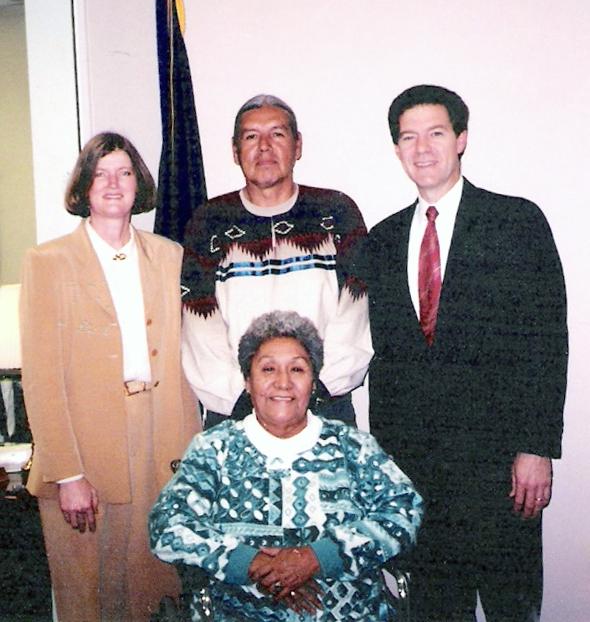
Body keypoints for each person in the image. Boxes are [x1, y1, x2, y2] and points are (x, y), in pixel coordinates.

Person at [358, 84, 568, 622]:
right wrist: (386, 468)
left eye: (435, 133)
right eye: (408, 137)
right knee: (432, 610)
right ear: (397, 149)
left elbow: (546, 342)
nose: (422, 148)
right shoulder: (381, 240)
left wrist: (536, 448)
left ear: (461, 139)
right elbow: (387, 362)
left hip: (501, 469)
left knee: (510, 609)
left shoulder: (516, 222)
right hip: (418, 473)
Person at [20, 132, 201, 622]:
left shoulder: (169, 256)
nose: (113, 183)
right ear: (84, 187)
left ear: (138, 182)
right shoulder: (48, 262)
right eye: (100, 174)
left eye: (123, 172)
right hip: (84, 447)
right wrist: (68, 472)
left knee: (153, 589)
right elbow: (40, 377)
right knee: (89, 597)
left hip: (159, 438)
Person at [150, 310, 423, 621]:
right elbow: (167, 526)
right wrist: (254, 564)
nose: (283, 383)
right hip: (241, 612)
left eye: (297, 369)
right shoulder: (214, 449)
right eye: (268, 369)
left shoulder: (353, 447)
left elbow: (405, 510)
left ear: (313, 382)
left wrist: (315, 559)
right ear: (248, 382)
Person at [181, 94, 372, 427]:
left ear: (297, 146)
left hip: (325, 410)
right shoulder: (209, 221)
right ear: (235, 150)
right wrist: (241, 398)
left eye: (277, 134)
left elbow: (358, 314)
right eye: (251, 136)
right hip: (236, 415)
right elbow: (199, 324)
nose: (264, 146)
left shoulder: (336, 212)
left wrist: (315, 389)